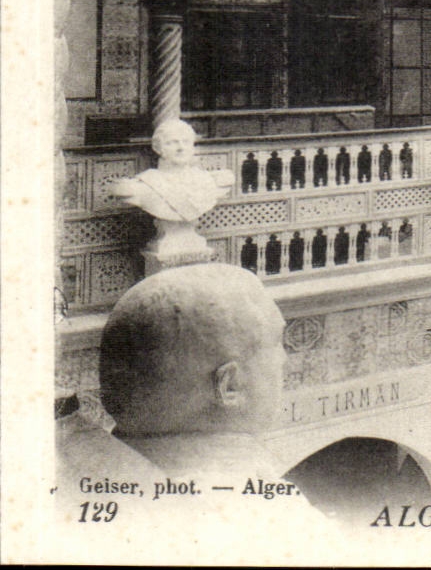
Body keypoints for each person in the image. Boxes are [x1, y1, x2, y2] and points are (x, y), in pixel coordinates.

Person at [58, 264, 331, 531]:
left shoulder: (69, 477)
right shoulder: (271, 521)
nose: (284, 359)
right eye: (275, 342)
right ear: (229, 386)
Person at [111, 118, 231, 224]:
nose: (181, 148)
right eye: (172, 142)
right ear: (158, 148)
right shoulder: (145, 184)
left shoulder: (207, 180)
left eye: (186, 142)